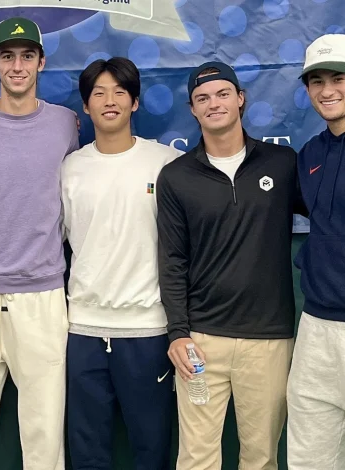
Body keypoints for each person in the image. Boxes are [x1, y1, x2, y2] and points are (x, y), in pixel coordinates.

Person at [0, 17, 79, 470]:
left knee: (43, 426)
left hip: (42, 292)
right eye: (8, 56)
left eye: (27, 56)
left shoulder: (65, 124)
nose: (17, 65)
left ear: (41, 62)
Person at [157, 61, 302, 470]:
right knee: (197, 458)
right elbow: (172, 260)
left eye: (223, 94)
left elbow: (331, 213)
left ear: (241, 99)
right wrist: (178, 333)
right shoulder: (175, 176)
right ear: (192, 109)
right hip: (201, 341)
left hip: (268, 340)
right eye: (203, 98)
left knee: (260, 457)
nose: (213, 103)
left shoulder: (283, 162)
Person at [62, 57, 179, 470]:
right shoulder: (70, 168)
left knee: (151, 447)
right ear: (85, 107)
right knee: (87, 450)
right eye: (98, 93)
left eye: (119, 92)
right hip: (82, 330)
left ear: (135, 103)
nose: (109, 101)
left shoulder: (165, 162)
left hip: (147, 330)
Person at [287, 33, 345, 470]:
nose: (328, 91)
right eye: (317, 81)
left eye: (339, 78)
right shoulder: (310, 154)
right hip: (317, 323)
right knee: (311, 453)